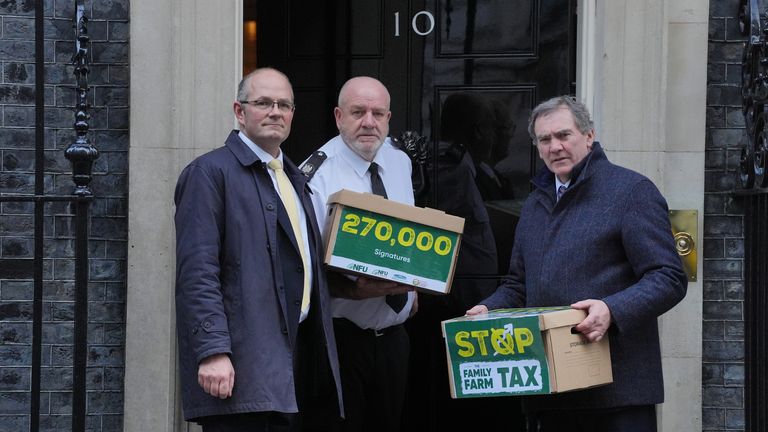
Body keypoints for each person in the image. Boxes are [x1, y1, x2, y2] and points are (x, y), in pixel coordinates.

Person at [466, 95, 688, 432]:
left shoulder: (632, 191)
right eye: (545, 139)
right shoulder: (533, 204)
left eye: (563, 135)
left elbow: (669, 277)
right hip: (550, 392)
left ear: (588, 136)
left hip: (617, 394)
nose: (554, 146)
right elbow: (518, 285)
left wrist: (611, 309)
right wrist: (488, 310)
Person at [174, 67, 343, 432]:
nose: (275, 112)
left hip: (291, 368)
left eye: (284, 104)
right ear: (239, 111)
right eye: (263, 103)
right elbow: (197, 272)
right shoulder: (208, 173)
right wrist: (213, 351)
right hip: (239, 368)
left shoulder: (293, 177)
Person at [402, 92, 524, 431]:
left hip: (477, 307)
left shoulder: (468, 170)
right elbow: (444, 249)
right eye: (493, 127)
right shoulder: (447, 171)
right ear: (478, 132)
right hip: (454, 312)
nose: (500, 135)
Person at [304, 76, 415, 432]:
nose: (369, 121)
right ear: (338, 116)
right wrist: (353, 290)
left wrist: (413, 293)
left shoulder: (399, 161)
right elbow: (304, 267)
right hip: (342, 341)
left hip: (395, 339)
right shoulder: (315, 176)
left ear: (388, 117)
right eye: (358, 112)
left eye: (378, 113)